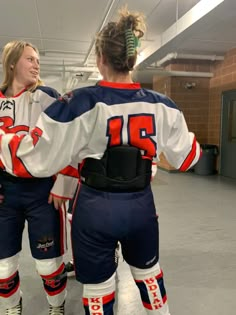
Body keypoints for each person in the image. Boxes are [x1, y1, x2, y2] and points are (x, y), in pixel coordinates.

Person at [0, 8, 202, 315]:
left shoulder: (79, 102)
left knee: (98, 289)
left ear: (100, 59)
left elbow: (34, 159)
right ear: (132, 59)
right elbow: (188, 158)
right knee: (149, 276)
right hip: (141, 208)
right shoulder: (165, 106)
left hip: (94, 209)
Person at [0, 40, 78, 315]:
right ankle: (12, 306)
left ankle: (56, 307)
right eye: (29, 59)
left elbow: (72, 139)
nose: (36, 64)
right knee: (3, 266)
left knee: (48, 264)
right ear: (12, 63)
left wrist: (65, 183)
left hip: (42, 192)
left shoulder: (48, 97)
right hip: (4, 193)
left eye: (37, 60)